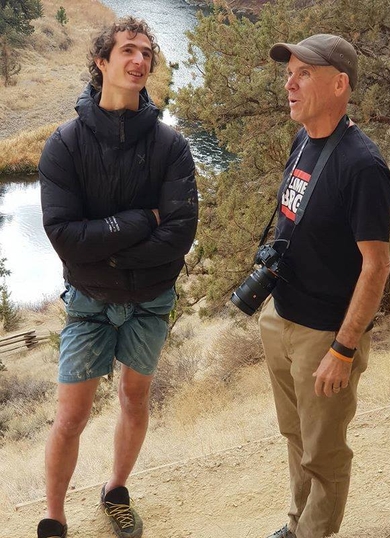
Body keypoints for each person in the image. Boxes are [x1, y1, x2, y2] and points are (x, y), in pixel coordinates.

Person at [37, 16, 198, 538]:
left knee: (134, 399)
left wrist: (104, 250)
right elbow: (65, 237)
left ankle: (115, 489)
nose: (139, 61)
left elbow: (178, 236)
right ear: (102, 62)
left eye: (147, 53)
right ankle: (54, 516)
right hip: (89, 301)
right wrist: (136, 223)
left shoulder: (170, 146)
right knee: (71, 416)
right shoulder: (64, 145)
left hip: (151, 299)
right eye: (128, 50)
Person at [258, 34, 390, 538]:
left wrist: (343, 348)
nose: (289, 84)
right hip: (281, 317)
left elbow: (376, 265)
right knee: (295, 437)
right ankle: (297, 525)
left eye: (303, 74)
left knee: (324, 452)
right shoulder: (304, 141)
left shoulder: (363, 166)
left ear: (340, 85)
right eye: (288, 73)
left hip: (323, 336)